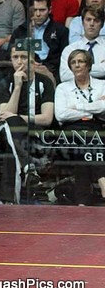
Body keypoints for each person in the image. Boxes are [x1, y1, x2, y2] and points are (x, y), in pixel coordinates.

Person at [0, 43, 55, 204]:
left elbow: (47, 118)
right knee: (10, 127)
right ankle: (28, 167)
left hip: (34, 134)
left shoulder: (44, 82)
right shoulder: (5, 82)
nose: (19, 61)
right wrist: (17, 87)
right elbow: (4, 117)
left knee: (11, 148)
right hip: (3, 134)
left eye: (23, 57)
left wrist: (17, 117)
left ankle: (9, 199)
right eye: (15, 57)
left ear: (32, 60)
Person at [53, 50, 105, 206]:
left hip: (97, 127)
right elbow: (61, 114)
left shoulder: (102, 85)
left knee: (84, 145)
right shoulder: (63, 88)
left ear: (88, 65)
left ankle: (83, 200)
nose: (77, 65)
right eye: (73, 62)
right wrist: (93, 109)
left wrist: (77, 106)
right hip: (71, 129)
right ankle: (102, 180)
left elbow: (104, 107)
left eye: (80, 61)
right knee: (85, 139)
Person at [12, 0, 68, 80]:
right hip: (24, 70)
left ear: (50, 10)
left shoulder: (61, 30)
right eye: (35, 10)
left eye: (42, 10)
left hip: (51, 71)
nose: (38, 14)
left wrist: (46, 68)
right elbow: (11, 54)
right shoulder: (21, 30)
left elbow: (64, 57)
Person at [59, 7, 105, 83]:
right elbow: (65, 76)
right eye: (88, 20)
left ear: (102, 25)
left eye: (96, 20)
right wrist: (100, 68)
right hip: (76, 88)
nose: (92, 24)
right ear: (83, 23)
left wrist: (77, 69)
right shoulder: (70, 49)